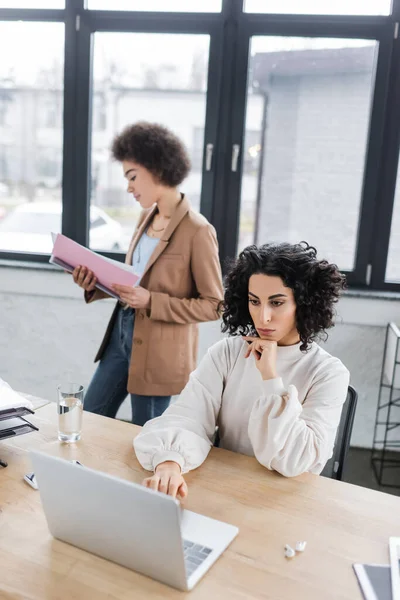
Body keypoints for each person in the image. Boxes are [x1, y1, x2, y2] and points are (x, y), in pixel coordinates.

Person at [133, 241, 350, 499]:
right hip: (224, 488)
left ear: (303, 303)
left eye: (277, 303)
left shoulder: (328, 373)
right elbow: (189, 414)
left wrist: (271, 378)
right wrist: (170, 461)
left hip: (288, 500)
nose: (263, 317)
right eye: (254, 301)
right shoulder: (227, 353)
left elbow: (297, 461)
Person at [72, 122, 223, 426]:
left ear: (157, 168)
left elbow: (214, 305)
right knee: (90, 419)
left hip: (159, 351)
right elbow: (135, 281)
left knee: (149, 439)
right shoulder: (145, 217)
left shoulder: (198, 231)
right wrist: (95, 284)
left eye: (132, 177)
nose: (128, 187)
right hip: (121, 334)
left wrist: (151, 300)